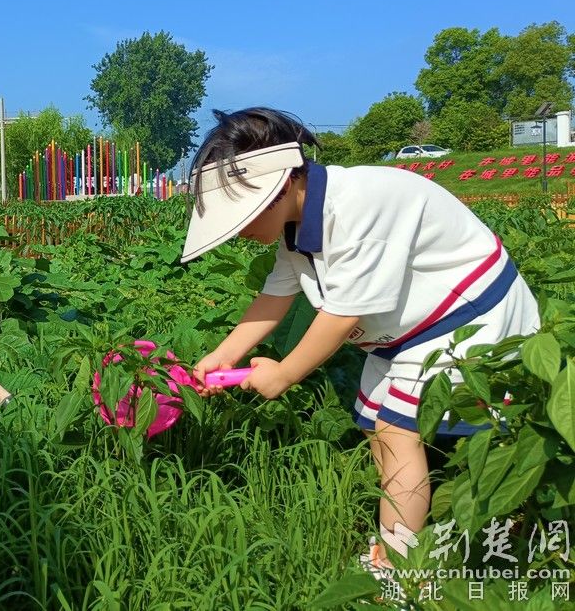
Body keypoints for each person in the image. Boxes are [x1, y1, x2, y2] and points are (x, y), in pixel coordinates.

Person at [184, 107, 540, 568]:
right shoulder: (296, 226)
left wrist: (285, 374)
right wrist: (223, 354)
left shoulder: (359, 207)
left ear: (287, 183)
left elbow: (339, 315)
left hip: (465, 315)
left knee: (398, 432)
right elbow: (275, 297)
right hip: (402, 332)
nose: (239, 230)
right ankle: (401, 541)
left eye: (245, 214)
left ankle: (398, 568)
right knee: (377, 428)